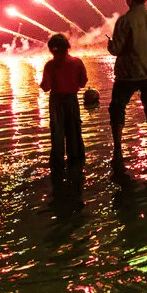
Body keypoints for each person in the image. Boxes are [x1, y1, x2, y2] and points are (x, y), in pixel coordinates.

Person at [107, 0, 147, 174]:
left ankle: (118, 146)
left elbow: (116, 49)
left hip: (127, 73)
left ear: (130, 1)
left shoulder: (124, 21)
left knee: (117, 106)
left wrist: (109, 44)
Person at [39, 33, 88, 187]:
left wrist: (41, 84)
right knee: (74, 132)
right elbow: (83, 83)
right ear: (67, 47)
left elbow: (46, 87)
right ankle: (76, 166)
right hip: (72, 100)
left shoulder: (49, 65)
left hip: (56, 101)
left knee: (57, 133)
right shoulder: (77, 62)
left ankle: (57, 167)